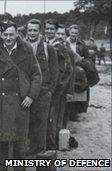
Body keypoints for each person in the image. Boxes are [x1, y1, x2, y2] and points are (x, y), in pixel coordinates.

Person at [0, 21, 42, 171]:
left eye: (11, 35)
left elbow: (37, 75)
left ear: (17, 34)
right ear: (1, 34)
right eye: (5, 34)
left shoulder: (26, 49)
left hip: (20, 103)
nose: (8, 38)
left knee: (19, 145)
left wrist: (31, 96)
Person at [26, 19, 59, 154]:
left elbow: (55, 71)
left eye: (35, 30)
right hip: (26, 90)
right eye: (30, 30)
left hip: (43, 91)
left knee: (41, 121)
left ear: (40, 32)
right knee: (28, 119)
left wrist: (50, 90)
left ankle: (39, 148)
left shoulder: (47, 48)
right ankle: (28, 146)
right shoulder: (22, 46)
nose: (32, 33)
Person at [45, 21, 74, 149]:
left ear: (56, 31)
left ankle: (53, 143)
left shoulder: (62, 47)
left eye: (52, 29)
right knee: (44, 115)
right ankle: (43, 142)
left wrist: (61, 85)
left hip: (57, 88)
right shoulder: (42, 44)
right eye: (47, 29)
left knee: (55, 115)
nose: (49, 31)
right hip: (44, 86)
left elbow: (68, 69)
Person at [65, 24, 90, 121]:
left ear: (78, 34)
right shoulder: (64, 42)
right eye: (72, 32)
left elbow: (87, 57)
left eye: (75, 33)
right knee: (67, 90)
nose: (73, 35)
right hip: (67, 69)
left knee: (77, 91)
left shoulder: (81, 44)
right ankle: (66, 113)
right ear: (69, 32)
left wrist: (82, 60)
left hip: (78, 70)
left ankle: (74, 113)